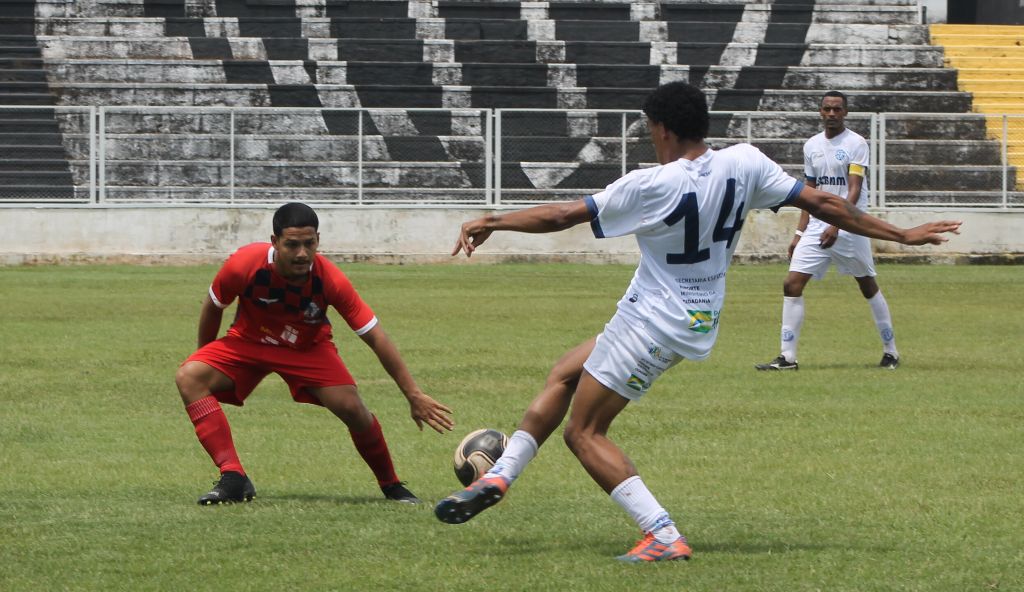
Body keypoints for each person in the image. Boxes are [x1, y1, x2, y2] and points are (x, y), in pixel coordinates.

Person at [432, 81, 960, 562]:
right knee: (566, 372)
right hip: (692, 317)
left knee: (585, 433)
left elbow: (565, 215)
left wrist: (492, 220)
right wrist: (903, 235)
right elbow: (825, 203)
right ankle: (499, 478)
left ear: (660, 129)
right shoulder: (746, 163)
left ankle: (661, 533)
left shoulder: (648, 184)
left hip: (653, 320)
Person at [175, 202, 453, 505]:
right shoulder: (244, 264)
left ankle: (392, 485)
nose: (302, 254)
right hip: (249, 341)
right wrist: (205, 355)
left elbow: (376, 336)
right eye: (292, 245)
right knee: (190, 377)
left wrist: (413, 394)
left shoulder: (329, 279)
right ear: (275, 242)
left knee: (352, 409)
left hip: (308, 348)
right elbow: (214, 305)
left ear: (318, 240)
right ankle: (233, 477)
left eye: (309, 244)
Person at [756, 91, 900, 371]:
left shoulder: (856, 143)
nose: (832, 114)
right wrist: (799, 234)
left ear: (845, 112)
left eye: (837, 109)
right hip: (817, 226)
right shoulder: (811, 146)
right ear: (820, 112)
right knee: (792, 284)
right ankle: (787, 357)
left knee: (867, 284)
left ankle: (891, 351)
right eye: (827, 109)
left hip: (849, 225)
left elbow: (854, 188)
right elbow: (808, 193)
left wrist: (837, 223)